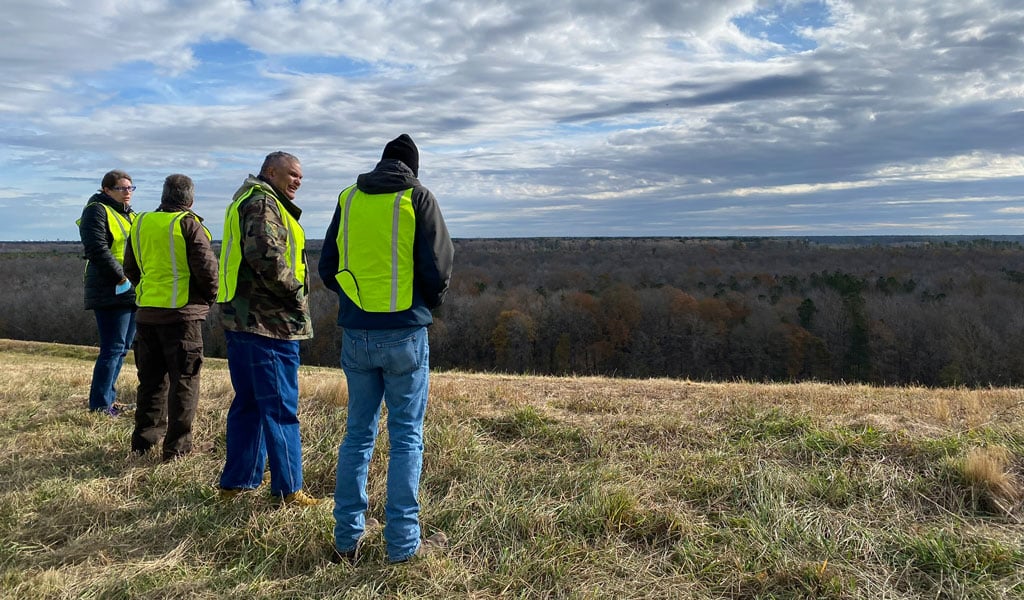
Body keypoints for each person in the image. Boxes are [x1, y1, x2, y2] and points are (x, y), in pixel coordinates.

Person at [319, 134, 454, 563]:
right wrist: (422, 306)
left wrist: (356, 302)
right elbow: (438, 267)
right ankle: (402, 547)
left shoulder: (350, 198)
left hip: (355, 333)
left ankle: (346, 542)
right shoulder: (418, 197)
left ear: (381, 162)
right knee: (406, 438)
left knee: (357, 435)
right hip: (405, 333)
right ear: (413, 167)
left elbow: (327, 267)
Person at [216, 151, 317, 506]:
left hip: (243, 320)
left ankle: (237, 483)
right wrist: (297, 293)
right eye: (292, 174)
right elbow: (268, 259)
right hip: (269, 323)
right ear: (271, 172)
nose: (297, 182)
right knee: (280, 408)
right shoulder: (263, 204)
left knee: (250, 404)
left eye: (300, 177)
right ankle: (290, 491)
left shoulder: (248, 198)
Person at [123, 174, 218, 461]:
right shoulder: (189, 224)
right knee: (184, 382)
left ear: (164, 196)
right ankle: (177, 450)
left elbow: (130, 267)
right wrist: (205, 300)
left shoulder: (140, 222)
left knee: (150, 382)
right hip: (182, 319)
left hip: (147, 316)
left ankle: (143, 444)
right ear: (189, 199)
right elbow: (208, 272)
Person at [78, 169, 138, 415]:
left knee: (122, 347)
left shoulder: (129, 215)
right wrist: (122, 277)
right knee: (112, 348)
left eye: (130, 188)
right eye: (122, 188)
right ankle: (100, 405)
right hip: (110, 288)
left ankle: (109, 399)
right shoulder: (96, 210)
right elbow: (97, 249)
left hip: (130, 289)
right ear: (107, 190)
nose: (127, 193)